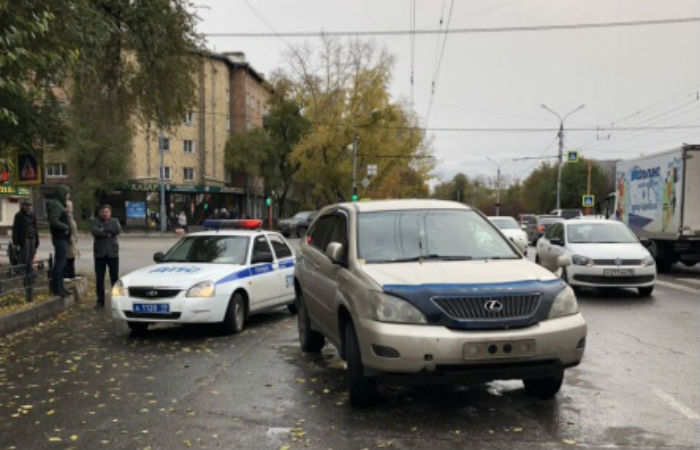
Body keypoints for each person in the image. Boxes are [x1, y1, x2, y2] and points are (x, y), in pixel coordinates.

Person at [91, 204, 121, 309]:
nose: (105, 214)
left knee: (115, 279)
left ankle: (116, 301)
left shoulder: (115, 221)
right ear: (100, 213)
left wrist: (103, 230)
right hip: (100, 254)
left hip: (112, 253)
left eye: (107, 212)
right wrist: (108, 233)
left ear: (110, 213)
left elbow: (117, 230)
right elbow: (95, 231)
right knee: (99, 279)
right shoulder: (95, 221)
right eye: (103, 212)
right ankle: (100, 301)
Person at [46, 185, 71, 297]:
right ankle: (57, 288)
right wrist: (65, 227)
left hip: (63, 238)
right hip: (60, 238)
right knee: (59, 265)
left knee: (62, 264)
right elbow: (53, 220)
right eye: (67, 194)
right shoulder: (56, 204)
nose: (68, 196)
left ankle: (61, 287)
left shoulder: (59, 204)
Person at [12, 199, 39, 302]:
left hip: (32, 239)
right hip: (24, 240)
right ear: (22, 206)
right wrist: (16, 243)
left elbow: (35, 228)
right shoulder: (19, 216)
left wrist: (37, 241)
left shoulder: (33, 215)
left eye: (29, 205)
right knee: (25, 262)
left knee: (30, 261)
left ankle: (30, 281)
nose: (28, 207)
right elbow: (15, 230)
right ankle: (27, 283)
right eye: (26, 205)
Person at [64, 200, 79, 280]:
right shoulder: (66, 216)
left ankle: (71, 274)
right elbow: (68, 228)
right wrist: (69, 238)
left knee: (72, 257)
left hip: (72, 240)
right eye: (70, 206)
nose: (72, 208)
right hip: (69, 240)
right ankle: (67, 275)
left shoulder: (70, 216)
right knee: (68, 257)